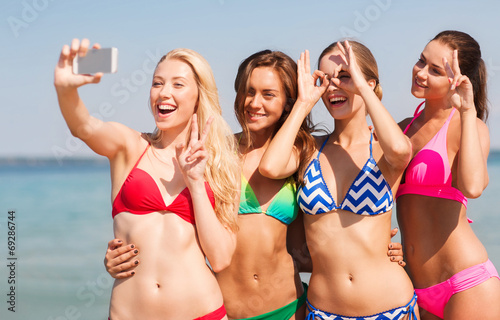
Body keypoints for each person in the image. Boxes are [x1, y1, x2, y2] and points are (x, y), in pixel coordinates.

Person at [104, 49, 406, 320]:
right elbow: (164, 219)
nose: (254, 103)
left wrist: (379, 252)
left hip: (288, 307)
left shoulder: (301, 152)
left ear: (287, 102)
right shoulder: (209, 154)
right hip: (223, 307)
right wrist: (124, 258)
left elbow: (314, 241)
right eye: (248, 92)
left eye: (268, 94)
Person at [54, 38, 240, 320]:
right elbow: (84, 126)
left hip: (202, 313)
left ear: (199, 96)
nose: (164, 92)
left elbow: (220, 258)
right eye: (157, 83)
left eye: (178, 84)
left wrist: (196, 183)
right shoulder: (130, 146)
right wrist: (66, 90)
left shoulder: (220, 164)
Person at [259, 40, 418, 319]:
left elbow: (402, 151)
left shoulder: (382, 148)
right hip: (324, 311)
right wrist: (304, 102)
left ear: (367, 81)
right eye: (325, 79)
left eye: (344, 76)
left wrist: (360, 85)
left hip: (391, 308)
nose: (333, 86)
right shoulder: (310, 149)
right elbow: (271, 167)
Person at [395, 30, 500, 319]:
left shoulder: (470, 127)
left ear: (457, 80)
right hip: (414, 288)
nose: (421, 73)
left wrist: (467, 111)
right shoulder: (401, 128)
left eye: (435, 70)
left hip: (466, 285)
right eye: (421, 61)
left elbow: (473, 186)